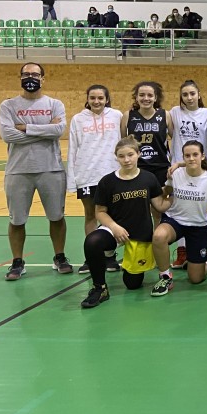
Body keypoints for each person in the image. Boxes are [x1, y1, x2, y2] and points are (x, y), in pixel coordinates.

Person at [79, 136, 170, 308]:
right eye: (121, 156)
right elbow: (100, 212)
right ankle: (100, 288)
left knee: (133, 284)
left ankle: (128, 264)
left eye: (130, 155)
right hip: (115, 229)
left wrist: (174, 193)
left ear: (138, 154)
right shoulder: (107, 181)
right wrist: (114, 227)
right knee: (92, 242)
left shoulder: (149, 178)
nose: (126, 160)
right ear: (116, 157)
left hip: (140, 234)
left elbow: (160, 205)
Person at [0, 63, 71, 280]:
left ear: (43, 78)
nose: (31, 77)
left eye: (35, 74)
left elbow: (59, 130)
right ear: (20, 77)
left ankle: (59, 256)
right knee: (17, 220)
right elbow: (7, 135)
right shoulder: (8, 105)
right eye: (26, 74)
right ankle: (17, 261)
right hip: (18, 170)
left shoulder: (54, 104)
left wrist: (25, 127)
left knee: (57, 216)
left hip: (51, 169)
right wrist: (44, 130)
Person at [151, 140, 207, 294]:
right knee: (159, 236)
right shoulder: (176, 174)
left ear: (202, 156)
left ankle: (204, 259)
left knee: (196, 279)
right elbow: (166, 190)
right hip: (175, 221)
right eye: (187, 155)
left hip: (198, 226)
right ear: (183, 157)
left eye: (195, 154)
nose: (191, 158)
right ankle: (165, 277)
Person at [66, 85, 122, 273]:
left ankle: (109, 256)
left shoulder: (117, 116)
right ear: (87, 99)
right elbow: (72, 148)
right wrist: (72, 179)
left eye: (100, 98)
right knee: (90, 214)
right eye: (92, 98)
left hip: (112, 174)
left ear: (107, 99)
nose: (96, 101)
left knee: (112, 216)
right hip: (87, 174)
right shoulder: (78, 119)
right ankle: (92, 257)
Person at [168, 80, 207, 269]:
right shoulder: (174, 112)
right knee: (178, 208)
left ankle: (201, 249)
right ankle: (182, 251)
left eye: (192, 93)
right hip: (178, 168)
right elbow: (169, 132)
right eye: (185, 94)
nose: (189, 97)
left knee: (198, 208)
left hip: (199, 168)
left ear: (199, 95)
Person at [122, 81, 172, 195]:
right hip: (137, 166)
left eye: (150, 95)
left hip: (160, 166)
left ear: (155, 98)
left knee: (158, 204)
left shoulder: (165, 115)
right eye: (142, 95)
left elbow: (176, 139)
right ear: (136, 97)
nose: (146, 98)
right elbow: (123, 143)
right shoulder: (128, 116)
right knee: (138, 204)